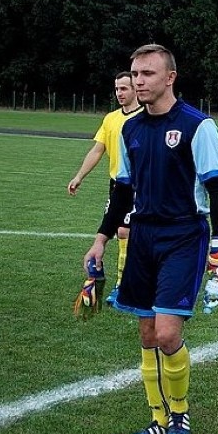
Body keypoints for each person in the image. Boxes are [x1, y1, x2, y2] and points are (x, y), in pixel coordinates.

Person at [83, 44, 218, 434]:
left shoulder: (196, 126)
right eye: (135, 74)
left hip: (185, 235)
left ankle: (180, 414)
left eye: (147, 74)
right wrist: (101, 238)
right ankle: (157, 419)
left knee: (168, 332)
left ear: (170, 78)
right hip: (142, 236)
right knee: (148, 332)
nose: (138, 81)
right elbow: (121, 192)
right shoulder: (129, 129)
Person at [68, 71, 143, 304]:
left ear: (135, 90)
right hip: (117, 185)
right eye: (117, 89)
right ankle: (126, 281)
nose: (120, 93)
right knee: (117, 231)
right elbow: (98, 149)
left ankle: (122, 285)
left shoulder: (145, 118)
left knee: (124, 231)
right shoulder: (110, 119)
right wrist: (80, 176)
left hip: (140, 184)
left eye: (124, 88)